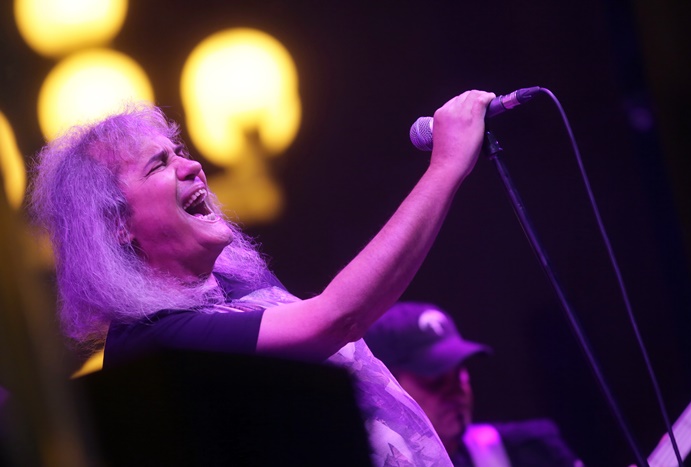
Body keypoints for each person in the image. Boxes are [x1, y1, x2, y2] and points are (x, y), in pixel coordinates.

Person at [30, 89, 495, 466]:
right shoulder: (153, 339)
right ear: (118, 223)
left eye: (180, 153)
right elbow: (337, 318)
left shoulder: (230, 286)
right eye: (159, 165)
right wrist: (446, 166)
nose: (192, 166)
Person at [364, 301, 583, 467]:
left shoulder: (530, 449)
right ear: (386, 390)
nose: (455, 390)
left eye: (459, 372)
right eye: (434, 378)